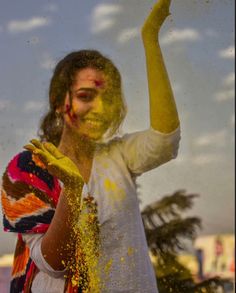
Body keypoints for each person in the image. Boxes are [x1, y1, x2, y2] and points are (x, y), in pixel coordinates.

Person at [1, 0, 180, 292]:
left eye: (107, 99)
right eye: (86, 96)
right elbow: (54, 263)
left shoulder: (117, 156)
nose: (99, 108)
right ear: (61, 102)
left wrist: (150, 40)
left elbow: (166, 140)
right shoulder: (27, 169)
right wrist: (71, 189)